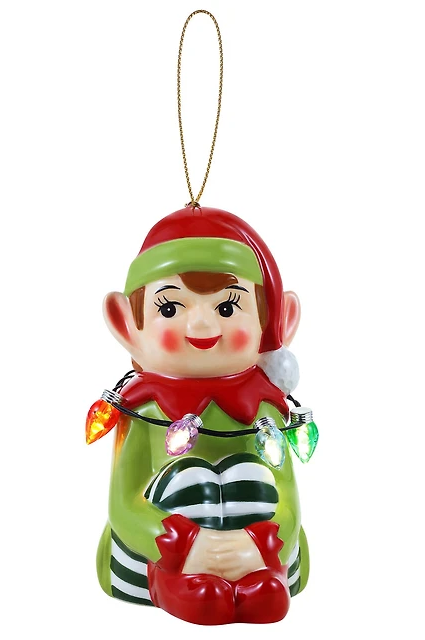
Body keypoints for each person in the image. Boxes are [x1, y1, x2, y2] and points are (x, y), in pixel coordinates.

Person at [95, 205, 309, 625]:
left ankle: (259, 581)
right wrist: (187, 545)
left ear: (273, 321)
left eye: (228, 308)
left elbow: (286, 498)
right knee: (188, 477)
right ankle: (174, 585)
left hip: (258, 554)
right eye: (170, 309)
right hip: (168, 554)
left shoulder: (264, 410)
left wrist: (256, 545)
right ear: (126, 326)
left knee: (252, 476)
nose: (202, 326)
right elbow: (123, 504)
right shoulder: (143, 411)